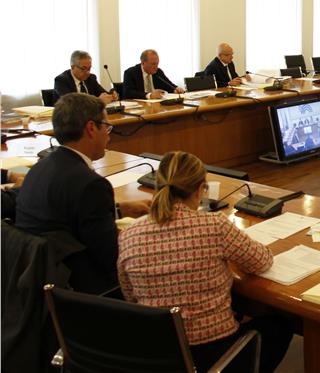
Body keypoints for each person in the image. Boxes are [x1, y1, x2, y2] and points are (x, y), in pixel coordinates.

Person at [117, 151, 292, 372]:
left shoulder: (129, 234)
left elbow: (130, 295)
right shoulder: (214, 226)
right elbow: (262, 261)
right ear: (200, 189)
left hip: (159, 355)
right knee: (281, 323)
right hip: (217, 355)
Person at [15, 94, 150, 293]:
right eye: (107, 126)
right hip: (84, 289)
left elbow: (66, 217)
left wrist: (118, 210)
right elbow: (112, 257)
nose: (109, 135)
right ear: (91, 128)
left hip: (39, 278)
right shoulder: (91, 185)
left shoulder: (40, 167)